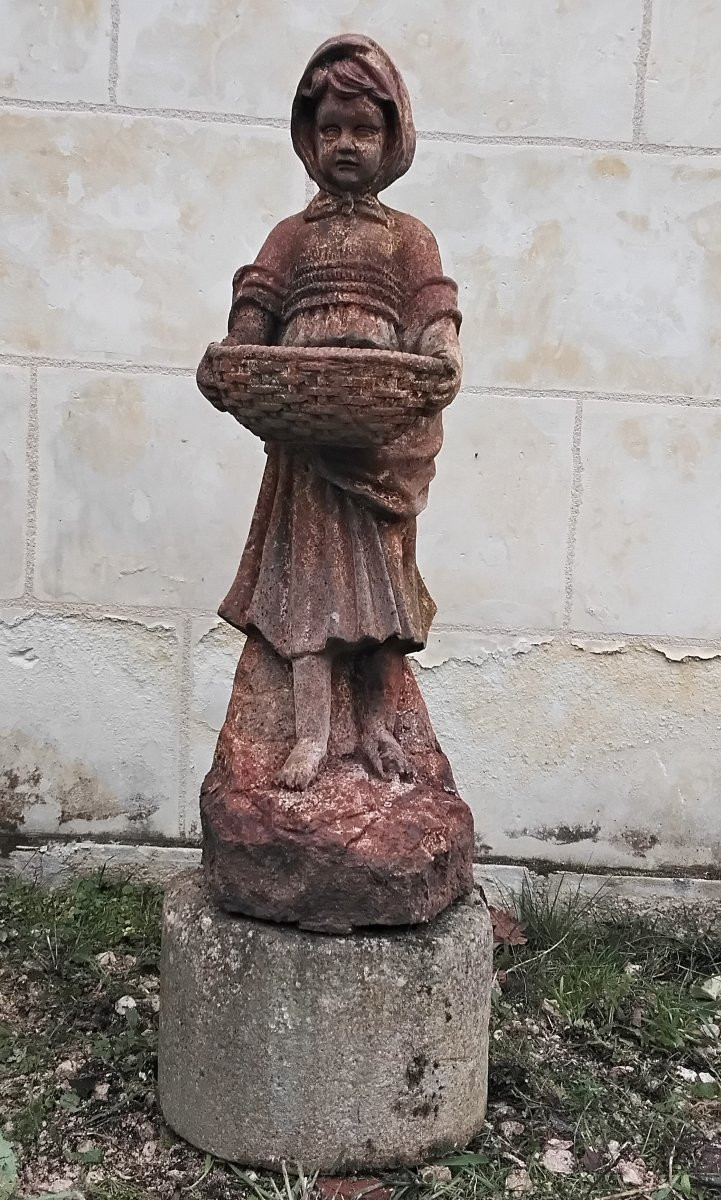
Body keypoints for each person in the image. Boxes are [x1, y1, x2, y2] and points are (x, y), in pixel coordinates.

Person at [197, 34, 462, 791]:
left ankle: (376, 724)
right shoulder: (291, 235)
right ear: (308, 139)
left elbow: (432, 314)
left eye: (363, 129)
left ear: (392, 136)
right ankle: (311, 735)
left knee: (381, 595)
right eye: (331, 129)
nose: (346, 144)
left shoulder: (407, 237)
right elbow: (253, 319)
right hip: (306, 447)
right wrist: (232, 360)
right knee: (306, 593)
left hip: (378, 445)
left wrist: (439, 351)